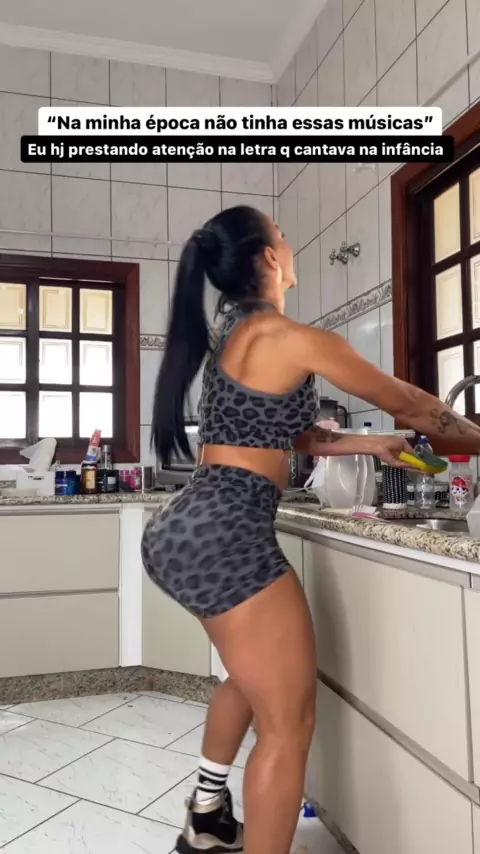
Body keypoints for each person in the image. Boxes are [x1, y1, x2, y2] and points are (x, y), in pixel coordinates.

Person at [142, 206, 480, 854]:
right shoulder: (288, 336)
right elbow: (417, 405)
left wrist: (369, 443)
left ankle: (208, 814)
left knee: (250, 676)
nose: (291, 243)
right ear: (271, 257)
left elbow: (284, 434)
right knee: (289, 726)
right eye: (283, 235)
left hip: (188, 529)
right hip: (228, 535)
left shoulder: (236, 332)